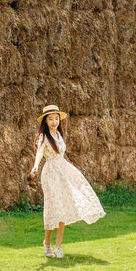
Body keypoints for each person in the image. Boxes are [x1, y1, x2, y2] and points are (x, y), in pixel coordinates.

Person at [28, 103, 105, 258]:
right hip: (51, 174)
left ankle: (58, 247)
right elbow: (40, 152)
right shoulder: (44, 137)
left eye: (56, 119)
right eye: (51, 119)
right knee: (53, 208)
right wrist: (35, 166)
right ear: (46, 121)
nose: (54, 122)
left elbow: (60, 154)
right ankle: (47, 243)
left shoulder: (59, 135)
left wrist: (67, 163)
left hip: (63, 171)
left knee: (62, 207)